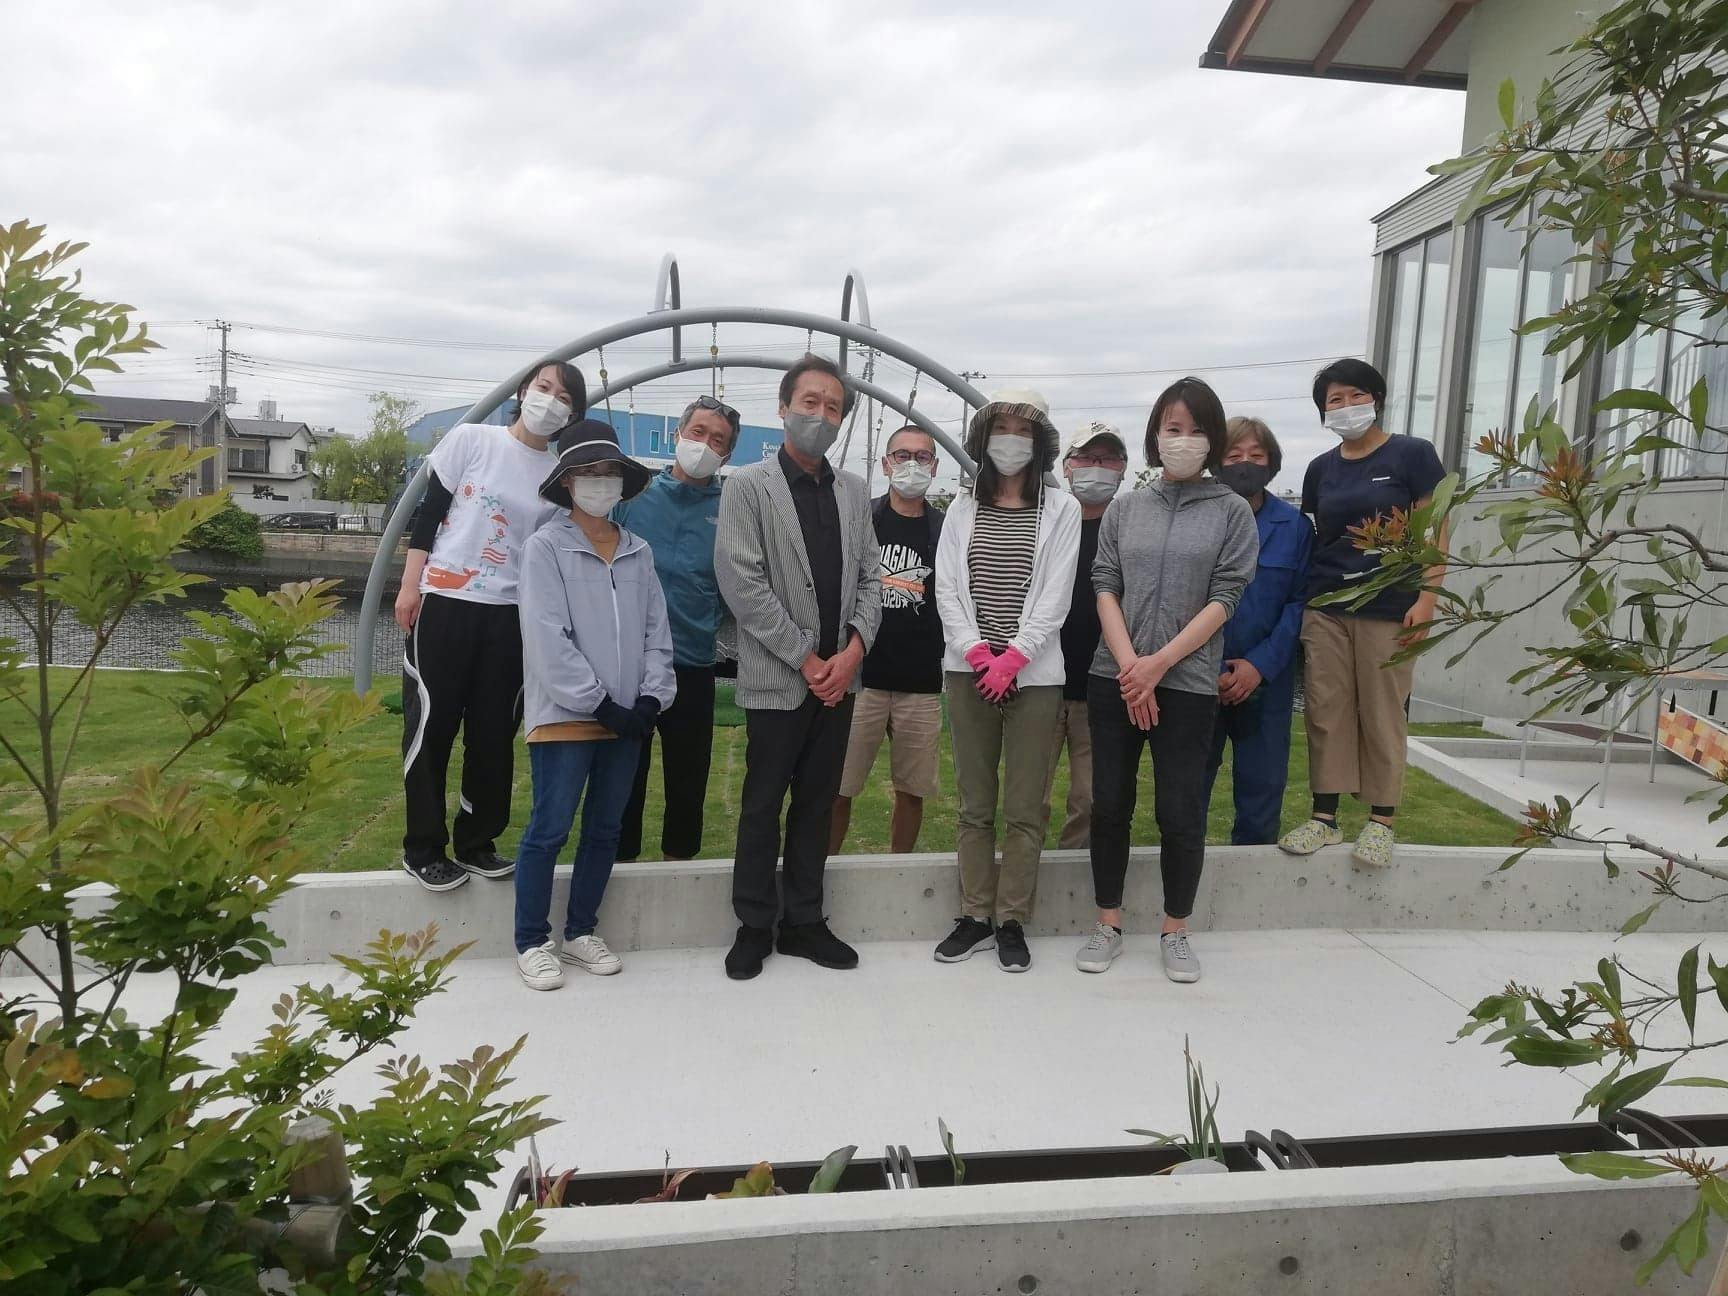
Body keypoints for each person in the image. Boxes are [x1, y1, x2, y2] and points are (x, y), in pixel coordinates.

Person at [1076, 377, 1257, 984]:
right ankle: (1108, 921)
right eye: (1172, 428)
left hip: (1188, 683)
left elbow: (1225, 596)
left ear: (1214, 438)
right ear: (1156, 434)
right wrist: (1132, 665)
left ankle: (1175, 928)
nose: (1183, 440)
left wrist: (1159, 665)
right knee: (1110, 804)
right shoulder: (1127, 507)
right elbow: (1105, 583)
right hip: (1116, 678)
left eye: (1196, 430)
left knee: (1180, 809)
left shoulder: (1231, 512)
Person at [714, 354, 882, 981]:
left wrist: (853, 650)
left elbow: (872, 579)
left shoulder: (854, 491)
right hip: (778, 679)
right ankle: (754, 923)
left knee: (817, 804)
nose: (821, 414)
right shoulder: (747, 486)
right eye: (810, 402)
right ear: (783, 407)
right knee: (762, 804)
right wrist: (808, 659)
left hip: (840, 681)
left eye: (833, 407)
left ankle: (805, 921)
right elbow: (743, 583)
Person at [395, 359, 584, 893]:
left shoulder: (559, 476)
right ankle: (422, 847)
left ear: (573, 413)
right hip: (447, 600)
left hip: (511, 614)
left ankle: (477, 841)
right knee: (431, 725)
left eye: (564, 397)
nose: (550, 401)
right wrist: (410, 586)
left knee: (494, 734)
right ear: (523, 391)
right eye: (544, 388)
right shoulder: (472, 440)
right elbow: (429, 514)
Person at [512, 419, 675, 991]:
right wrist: (597, 703)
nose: (601, 483)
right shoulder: (544, 548)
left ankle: (581, 930)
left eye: (610, 473)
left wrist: (651, 697)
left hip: (627, 718)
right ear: (567, 482)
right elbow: (546, 637)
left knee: (605, 829)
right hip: (565, 716)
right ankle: (531, 940)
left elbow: (657, 633)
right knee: (550, 828)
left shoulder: (638, 552)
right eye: (589, 473)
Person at [933, 390, 1080, 973]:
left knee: (1024, 807)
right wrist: (977, 655)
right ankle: (974, 915)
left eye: (1024, 430)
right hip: (968, 673)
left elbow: (1055, 596)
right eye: (1002, 428)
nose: (1012, 440)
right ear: (983, 438)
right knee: (975, 804)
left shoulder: (1061, 510)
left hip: (1034, 677)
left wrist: (1013, 659)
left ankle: (1011, 919)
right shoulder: (960, 508)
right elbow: (948, 588)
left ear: (1040, 443)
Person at [1278, 358, 1447, 868]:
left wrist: (1427, 598)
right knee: (1325, 710)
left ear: (1376, 399)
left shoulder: (1413, 454)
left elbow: (1435, 530)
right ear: (1323, 411)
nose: (1347, 406)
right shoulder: (1320, 469)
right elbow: (1318, 535)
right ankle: (1324, 818)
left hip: (1391, 606)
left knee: (1382, 711)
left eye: (1356, 395)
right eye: (1335, 399)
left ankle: (1381, 820)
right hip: (1326, 606)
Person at [613, 395, 738, 863]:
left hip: (693, 665)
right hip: (629, 665)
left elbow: (737, 586)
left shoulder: (731, 511)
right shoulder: (634, 497)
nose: (705, 444)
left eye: (718, 440)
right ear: (679, 434)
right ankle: (617, 871)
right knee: (623, 782)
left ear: (727, 454)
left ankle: (679, 873)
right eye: (698, 432)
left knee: (688, 786)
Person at [829, 426, 946, 855]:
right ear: (885, 464)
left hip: (921, 682)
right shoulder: (862, 520)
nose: (912, 464)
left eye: (922, 456)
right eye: (902, 455)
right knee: (838, 787)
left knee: (912, 791)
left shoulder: (944, 529)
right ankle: (821, 872)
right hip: (862, 680)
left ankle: (900, 869)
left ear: (935, 466)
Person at [1202, 417, 1313, 844]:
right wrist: (1209, 667)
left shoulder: (1295, 527)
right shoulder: (1198, 519)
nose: (1245, 463)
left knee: (1262, 797)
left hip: (1266, 683)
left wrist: (1259, 665)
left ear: (1272, 462)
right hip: (1199, 678)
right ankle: (1181, 879)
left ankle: (1251, 876)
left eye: (1256, 455)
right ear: (1216, 462)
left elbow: (1299, 603)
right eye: (1233, 455)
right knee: (1186, 794)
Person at [1042, 421, 1128, 850]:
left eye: (1108, 458)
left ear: (1123, 468)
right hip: (1041, 682)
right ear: (1066, 466)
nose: (1097, 466)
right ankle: (1024, 877)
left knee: (1089, 799)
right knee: (1029, 795)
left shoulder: (1130, 531)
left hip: (1102, 686)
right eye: (1087, 457)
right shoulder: (1045, 523)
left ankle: (1076, 875)